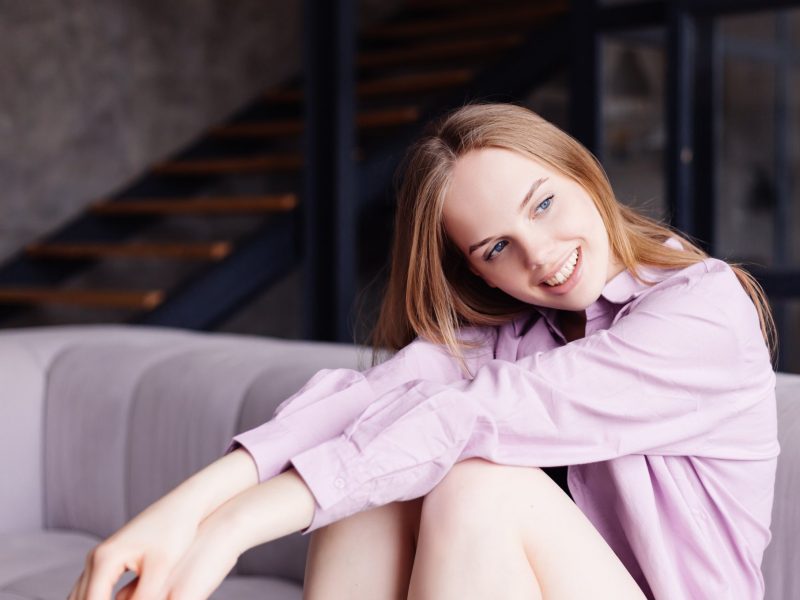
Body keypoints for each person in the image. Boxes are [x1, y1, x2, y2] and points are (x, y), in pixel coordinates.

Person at [68, 103, 779, 600]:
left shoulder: (704, 311)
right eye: (497, 246)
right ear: (479, 269)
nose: (541, 257)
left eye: (543, 204)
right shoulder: (525, 322)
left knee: (476, 478)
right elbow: (369, 402)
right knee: (380, 469)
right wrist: (179, 511)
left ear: (584, 173)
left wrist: (232, 530)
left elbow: (470, 416)